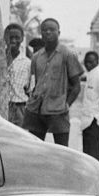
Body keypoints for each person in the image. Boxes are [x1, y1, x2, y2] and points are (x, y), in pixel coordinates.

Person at [23, 18, 82, 146]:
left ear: (58, 32)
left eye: (52, 30)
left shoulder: (68, 54)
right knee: (34, 148)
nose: (48, 32)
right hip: (36, 110)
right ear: (41, 33)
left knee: (61, 150)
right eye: (44, 30)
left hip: (58, 111)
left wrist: (67, 104)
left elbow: (76, 86)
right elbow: (33, 83)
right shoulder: (36, 57)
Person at [75, 50, 99, 162]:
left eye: (91, 62)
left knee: (93, 156)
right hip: (86, 123)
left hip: (95, 123)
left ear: (97, 62)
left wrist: (96, 119)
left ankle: (98, 178)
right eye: (86, 62)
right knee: (87, 156)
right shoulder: (89, 77)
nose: (88, 64)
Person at [4, 22, 31, 126]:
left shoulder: (27, 63)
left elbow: (30, 90)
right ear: (5, 38)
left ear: (22, 39)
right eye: (10, 37)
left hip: (20, 108)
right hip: (0, 107)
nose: (13, 40)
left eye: (17, 37)